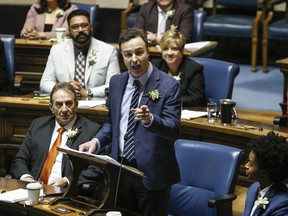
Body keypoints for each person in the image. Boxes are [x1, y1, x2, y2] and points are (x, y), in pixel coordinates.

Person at [79, 28, 181, 215]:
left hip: (152, 175)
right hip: (120, 171)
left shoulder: (168, 85)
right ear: (122, 57)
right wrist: (97, 141)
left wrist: (151, 120)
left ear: (148, 50)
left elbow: (173, 130)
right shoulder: (117, 82)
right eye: (128, 54)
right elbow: (111, 123)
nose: (134, 59)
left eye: (139, 52)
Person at [11, 82, 101, 187]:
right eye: (59, 104)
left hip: (67, 194)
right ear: (51, 108)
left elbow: (96, 170)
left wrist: (67, 181)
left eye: (69, 103)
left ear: (76, 105)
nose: (64, 109)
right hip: (34, 190)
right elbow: (19, 160)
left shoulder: (92, 131)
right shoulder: (38, 126)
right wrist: (27, 179)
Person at [40, 9, 120, 98]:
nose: (80, 30)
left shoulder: (108, 51)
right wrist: (65, 89)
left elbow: (115, 85)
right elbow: (45, 83)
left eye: (84, 25)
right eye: (75, 27)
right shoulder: (57, 50)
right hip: (65, 103)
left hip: (96, 105)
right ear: (69, 30)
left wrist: (88, 92)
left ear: (91, 27)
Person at [152, 29, 207, 107]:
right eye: (165, 49)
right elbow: (149, 90)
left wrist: (169, 100)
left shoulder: (194, 68)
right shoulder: (156, 66)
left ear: (182, 51)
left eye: (174, 49)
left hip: (190, 112)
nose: (169, 53)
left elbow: (196, 98)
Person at [242, 131, 288, 216]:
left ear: (264, 172)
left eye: (251, 164)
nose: (246, 165)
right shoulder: (253, 188)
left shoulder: (283, 204)